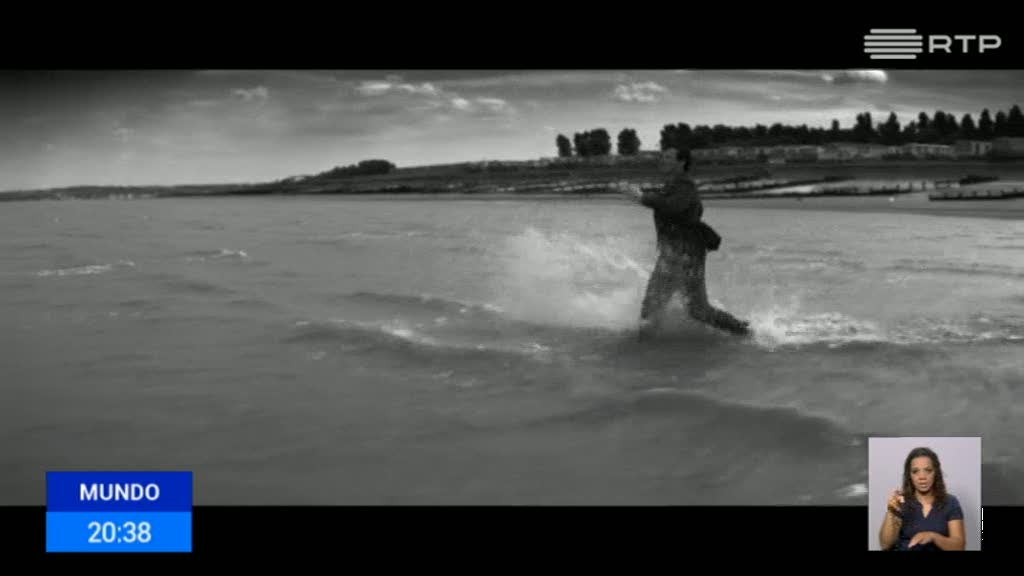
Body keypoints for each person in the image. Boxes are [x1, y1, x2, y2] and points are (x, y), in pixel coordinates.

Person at [618, 148, 750, 339]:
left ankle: (642, 352)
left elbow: (672, 206)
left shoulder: (684, 184)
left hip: (681, 253)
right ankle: (743, 331)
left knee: (652, 308)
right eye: (662, 156)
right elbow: (667, 201)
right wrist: (638, 194)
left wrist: (640, 196)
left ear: (681, 162)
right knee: (698, 309)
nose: (662, 160)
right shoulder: (675, 185)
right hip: (686, 252)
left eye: (668, 157)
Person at [878, 447, 966, 551]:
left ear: (936, 473)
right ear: (909, 475)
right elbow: (885, 545)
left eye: (928, 470)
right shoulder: (901, 501)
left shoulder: (950, 502)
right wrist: (891, 511)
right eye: (915, 471)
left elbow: (959, 546)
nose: (922, 477)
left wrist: (933, 536)